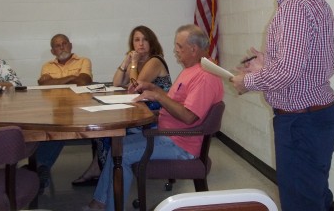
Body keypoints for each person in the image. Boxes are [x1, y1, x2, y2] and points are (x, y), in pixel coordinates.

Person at [229, 0, 334, 211]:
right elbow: (306, 63)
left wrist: (247, 80)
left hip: (301, 123)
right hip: (318, 116)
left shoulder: (293, 7)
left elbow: (289, 71)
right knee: (314, 195)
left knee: (301, 202)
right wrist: (266, 62)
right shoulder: (315, 1)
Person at [86, 24, 224, 211]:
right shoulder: (191, 69)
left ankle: (107, 206)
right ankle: (100, 203)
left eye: (179, 46)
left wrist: (158, 96)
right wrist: (155, 90)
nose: (175, 50)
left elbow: (189, 116)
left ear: (193, 49)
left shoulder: (204, 76)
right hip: (168, 133)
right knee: (117, 146)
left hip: (181, 143)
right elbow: (178, 103)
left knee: (121, 154)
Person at [72, 25, 172, 186]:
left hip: (155, 114)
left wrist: (132, 63)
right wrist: (126, 61)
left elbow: (135, 85)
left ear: (152, 42)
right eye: (137, 40)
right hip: (141, 108)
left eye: (145, 39)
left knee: (108, 132)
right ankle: (102, 171)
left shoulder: (155, 60)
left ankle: (108, 175)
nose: (141, 44)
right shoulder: (138, 61)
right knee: (103, 131)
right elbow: (117, 82)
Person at [35, 33, 93, 193]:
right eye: (57, 45)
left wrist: (54, 81)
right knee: (57, 127)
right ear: (52, 51)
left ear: (70, 45)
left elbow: (84, 81)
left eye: (64, 43)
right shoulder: (47, 65)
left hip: (80, 110)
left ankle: (39, 167)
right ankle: (40, 168)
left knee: (61, 126)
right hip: (55, 109)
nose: (61, 47)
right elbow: (43, 85)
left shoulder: (84, 61)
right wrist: (72, 77)